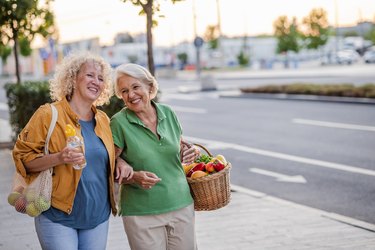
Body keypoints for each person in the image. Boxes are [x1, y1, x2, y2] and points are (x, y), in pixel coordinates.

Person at [12, 52, 133, 250]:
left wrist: (121, 162)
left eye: (101, 78)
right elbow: (23, 159)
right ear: (73, 78)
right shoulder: (48, 114)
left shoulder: (103, 120)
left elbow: (109, 154)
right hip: (57, 215)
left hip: (97, 217)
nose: (96, 81)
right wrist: (59, 157)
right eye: (90, 75)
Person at [110, 63, 199, 250]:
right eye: (124, 91)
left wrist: (190, 151)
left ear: (149, 87)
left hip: (181, 203)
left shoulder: (168, 113)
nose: (131, 95)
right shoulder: (119, 122)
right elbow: (108, 166)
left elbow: (179, 145)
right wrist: (133, 176)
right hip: (142, 213)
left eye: (135, 87)